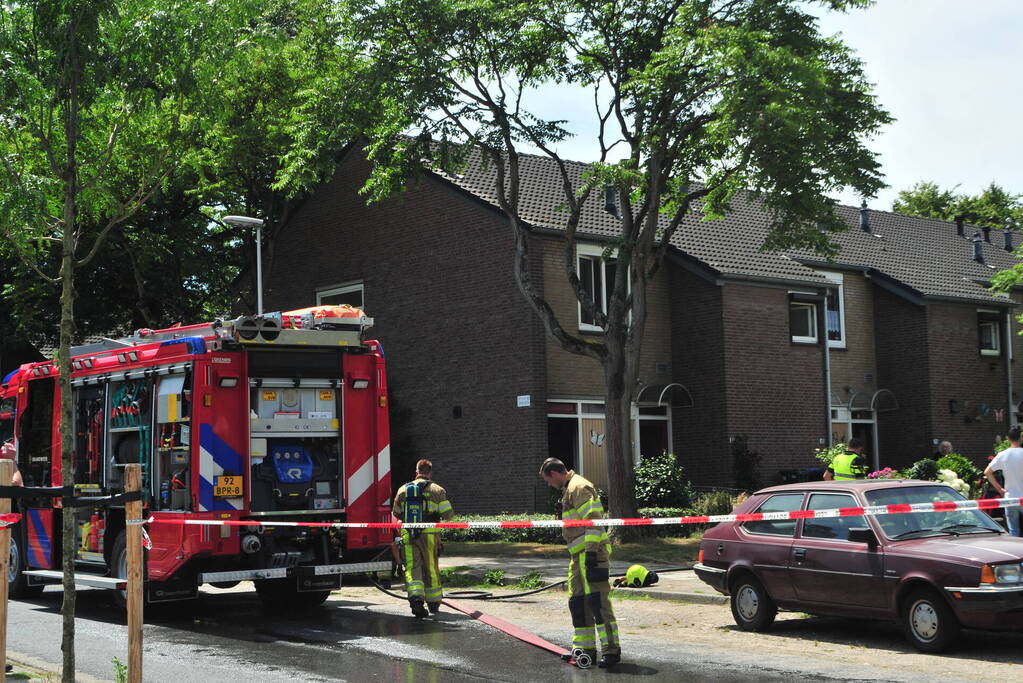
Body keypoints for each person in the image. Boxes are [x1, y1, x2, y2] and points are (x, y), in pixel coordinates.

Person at [540, 457, 620, 669]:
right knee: (578, 604)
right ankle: (586, 650)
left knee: (598, 603)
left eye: (548, 480)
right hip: (578, 558)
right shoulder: (569, 489)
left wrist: (592, 552)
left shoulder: (579, 487)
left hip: (592, 556)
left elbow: (593, 521)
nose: (549, 484)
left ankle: (611, 651)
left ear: (555, 474)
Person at [391, 459, 454, 617]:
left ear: (416, 472)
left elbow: (396, 513)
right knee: (431, 567)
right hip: (430, 534)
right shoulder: (437, 490)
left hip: (409, 534)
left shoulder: (403, 490)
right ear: (430, 473)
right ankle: (433, 603)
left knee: (412, 567)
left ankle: (416, 600)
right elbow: (448, 515)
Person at [985, 427, 1023, 537]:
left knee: (1013, 531)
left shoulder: (1003, 454)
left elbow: (987, 472)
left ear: (1008, 438)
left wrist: (999, 489)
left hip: (1010, 498)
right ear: (1020, 437)